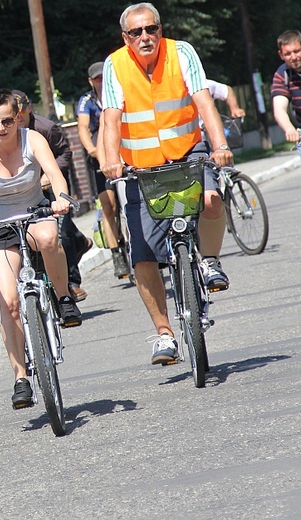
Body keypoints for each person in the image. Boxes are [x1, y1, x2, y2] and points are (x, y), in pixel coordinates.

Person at [101, 3, 233, 365]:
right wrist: (111, 162)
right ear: (125, 37)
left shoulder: (181, 52)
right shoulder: (115, 65)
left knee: (211, 201)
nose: (145, 37)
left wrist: (219, 145)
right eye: (136, 32)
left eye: (151, 29)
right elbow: (111, 119)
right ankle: (164, 334)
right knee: (142, 254)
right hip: (140, 167)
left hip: (189, 150)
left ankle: (208, 260)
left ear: (160, 29)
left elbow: (203, 102)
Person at [0, 89, 82, 409]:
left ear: (18, 117)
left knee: (50, 239)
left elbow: (55, 175)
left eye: (7, 120)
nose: (1, 128)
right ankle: (21, 377)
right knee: (9, 304)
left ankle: (63, 297)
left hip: (34, 212)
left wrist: (61, 198)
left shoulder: (32, 141)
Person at [13, 89, 92, 302]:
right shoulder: (8, 132)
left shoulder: (46, 128)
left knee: (61, 234)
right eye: (14, 114)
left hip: (52, 186)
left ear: (29, 108)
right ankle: (80, 242)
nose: (17, 118)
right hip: (27, 192)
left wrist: (51, 174)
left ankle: (71, 283)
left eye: (21, 112)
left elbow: (65, 153)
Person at [77, 62, 130, 279]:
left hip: (123, 150)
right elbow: (82, 127)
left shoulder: (119, 92)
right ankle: (117, 253)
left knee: (129, 202)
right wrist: (90, 148)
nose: (100, 81)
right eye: (97, 79)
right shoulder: (87, 101)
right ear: (91, 81)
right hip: (100, 155)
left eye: (103, 77)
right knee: (108, 205)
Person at [271, 29, 301, 205]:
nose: (293, 57)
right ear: (281, 55)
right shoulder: (282, 75)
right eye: (288, 54)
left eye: (297, 51)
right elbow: (279, 108)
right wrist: (289, 129)